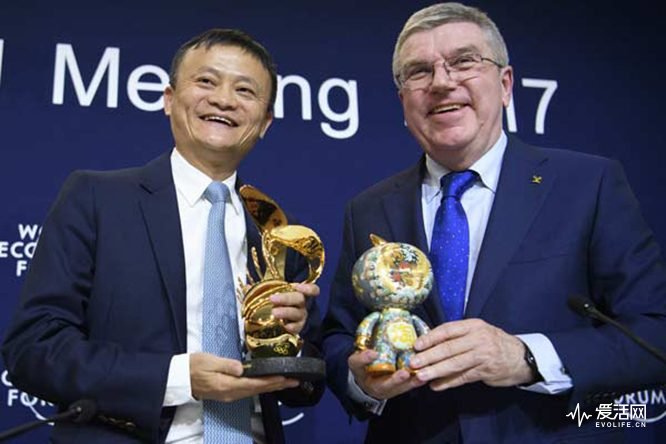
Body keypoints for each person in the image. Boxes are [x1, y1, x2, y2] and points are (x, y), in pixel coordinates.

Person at [323, 3, 666, 443]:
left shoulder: (588, 184)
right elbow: (339, 336)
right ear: (403, 101)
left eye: (464, 61)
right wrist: (361, 381)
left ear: (505, 85)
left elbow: (654, 332)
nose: (442, 82)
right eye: (419, 71)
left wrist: (526, 356)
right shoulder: (368, 208)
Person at [2, 29, 323, 443]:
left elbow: (308, 385)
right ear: (169, 99)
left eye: (245, 90)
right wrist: (180, 378)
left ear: (264, 122)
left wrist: (291, 345)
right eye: (206, 81)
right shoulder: (97, 199)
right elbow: (34, 350)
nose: (224, 99)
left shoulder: (278, 230)